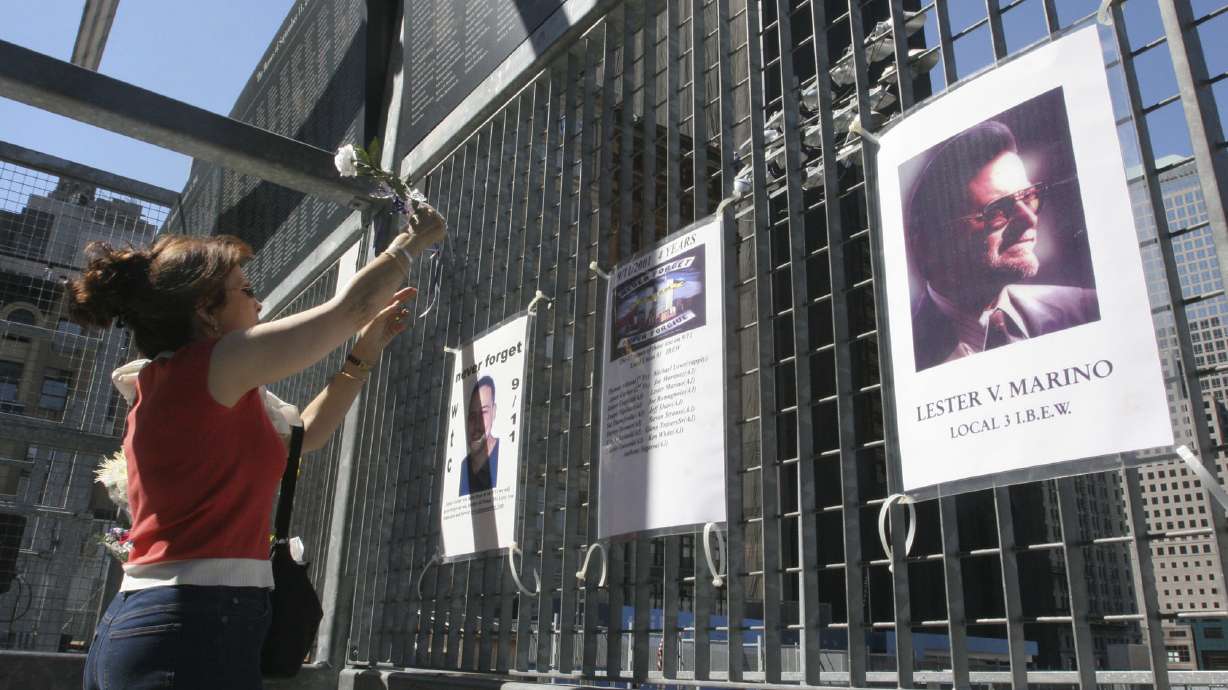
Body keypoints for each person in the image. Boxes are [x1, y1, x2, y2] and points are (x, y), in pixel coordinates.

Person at [74, 205, 445, 690]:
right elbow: (344, 311)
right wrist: (409, 243)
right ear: (206, 312)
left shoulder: (194, 387)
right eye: (245, 291)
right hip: (190, 622)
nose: (260, 303)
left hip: (171, 621)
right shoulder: (201, 369)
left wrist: (363, 354)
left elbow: (304, 437)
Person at [905, 120, 1099, 372]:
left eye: (1029, 196)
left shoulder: (1083, 310)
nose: (1030, 218)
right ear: (930, 243)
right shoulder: (905, 355)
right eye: (997, 210)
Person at [458, 376, 498, 495]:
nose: (477, 423)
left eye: (483, 412)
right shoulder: (463, 467)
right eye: (472, 415)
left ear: (494, 412)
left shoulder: (505, 455)